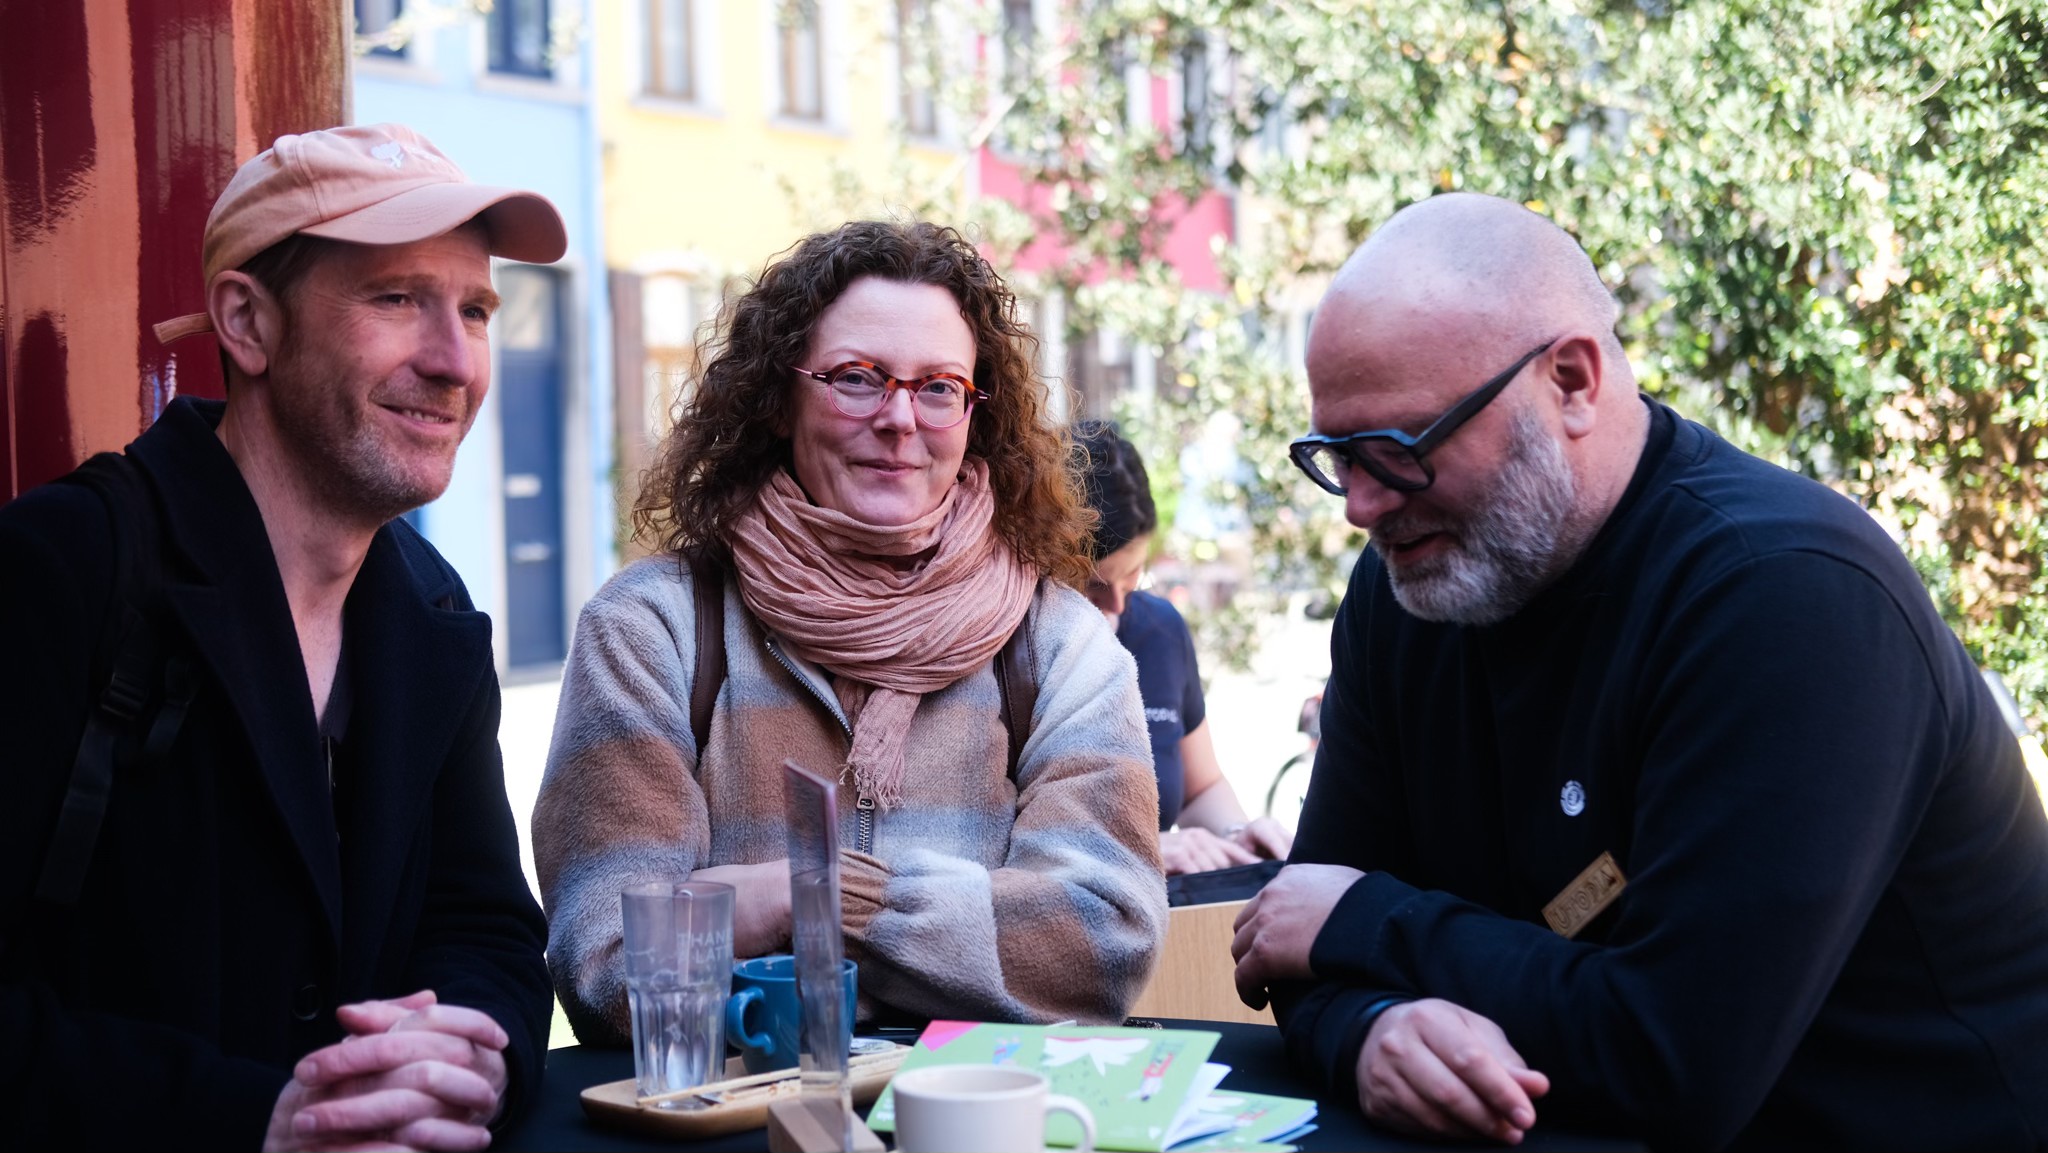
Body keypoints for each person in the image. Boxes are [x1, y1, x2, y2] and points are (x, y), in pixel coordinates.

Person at [1229, 193, 2048, 1149]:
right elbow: (1299, 942)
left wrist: (1374, 925)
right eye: (1336, 456)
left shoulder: (1783, 595)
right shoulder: (1409, 586)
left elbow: (1677, 1054)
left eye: (1400, 450)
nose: (1361, 507)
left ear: (1571, 381)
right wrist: (1372, 1031)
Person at [0, 123, 565, 1150]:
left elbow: (485, 927)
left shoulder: (433, 613)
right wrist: (250, 1119)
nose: (452, 361)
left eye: (475, 309)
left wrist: (467, 1055)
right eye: (396, 299)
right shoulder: (60, 569)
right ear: (248, 326)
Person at [534, 220, 1167, 1040]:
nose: (901, 418)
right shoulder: (651, 633)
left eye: (939, 386)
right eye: (858, 377)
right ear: (778, 397)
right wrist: (968, 951)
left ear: (978, 412)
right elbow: (609, 963)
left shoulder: (1060, 645)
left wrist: (804, 901)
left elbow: (1104, 944)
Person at [1074, 421, 1293, 876]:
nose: (1116, 606)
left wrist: (1237, 838)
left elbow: (1199, 788)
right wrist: (1139, 853)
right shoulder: (1007, 647)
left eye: (1133, 576)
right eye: (1094, 587)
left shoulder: (1162, 631)